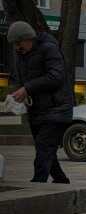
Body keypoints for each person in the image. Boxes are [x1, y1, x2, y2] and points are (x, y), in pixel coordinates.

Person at [8, 21, 73, 183]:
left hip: (57, 110)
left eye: (19, 43)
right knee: (45, 149)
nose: (17, 48)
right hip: (37, 110)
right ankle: (61, 180)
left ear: (28, 38)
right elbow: (19, 78)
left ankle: (37, 184)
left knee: (44, 148)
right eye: (14, 45)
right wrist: (18, 93)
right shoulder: (21, 55)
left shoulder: (49, 48)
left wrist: (27, 89)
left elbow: (56, 77)